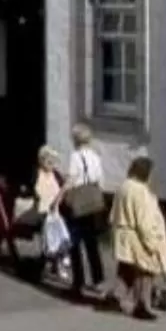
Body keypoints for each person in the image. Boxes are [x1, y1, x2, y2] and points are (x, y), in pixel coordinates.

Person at [110, 150, 166, 320]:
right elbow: (143, 220)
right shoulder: (140, 192)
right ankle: (142, 304)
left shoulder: (123, 187)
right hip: (137, 236)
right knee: (145, 271)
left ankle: (115, 296)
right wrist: (151, 242)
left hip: (123, 233)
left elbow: (113, 214)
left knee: (126, 269)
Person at [60, 122, 110, 298]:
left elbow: (72, 179)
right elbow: (100, 180)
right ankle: (98, 281)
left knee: (74, 243)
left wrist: (60, 196)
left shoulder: (76, 156)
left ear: (75, 139)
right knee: (92, 244)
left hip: (78, 203)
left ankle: (78, 282)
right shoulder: (96, 157)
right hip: (93, 203)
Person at [25, 144, 71, 286]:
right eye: (48, 162)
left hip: (55, 213)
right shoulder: (36, 173)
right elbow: (31, 190)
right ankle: (57, 259)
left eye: (53, 162)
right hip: (40, 213)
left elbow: (63, 191)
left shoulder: (56, 175)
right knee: (51, 228)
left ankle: (58, 258)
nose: (51, 165)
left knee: (59, 227)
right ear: (41, 160)